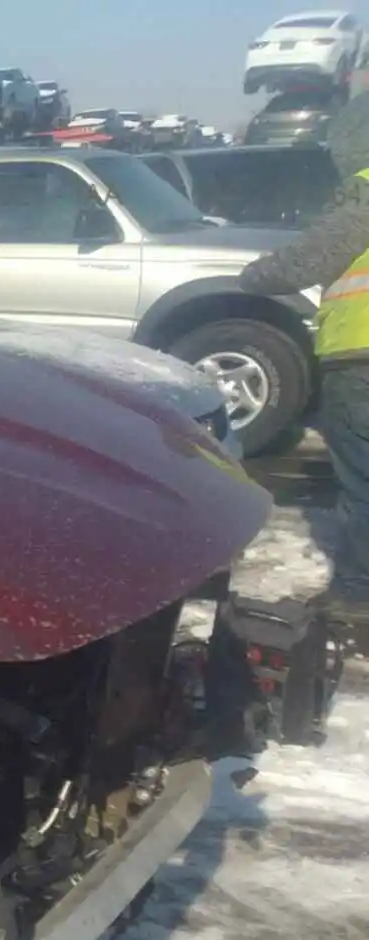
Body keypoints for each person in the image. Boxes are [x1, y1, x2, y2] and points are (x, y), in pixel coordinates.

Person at [239, 92, 369, 623]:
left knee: (361, 481)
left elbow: (309, 259)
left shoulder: (365, 191)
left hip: (359, 358)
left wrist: (253, 277)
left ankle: (359, 593)